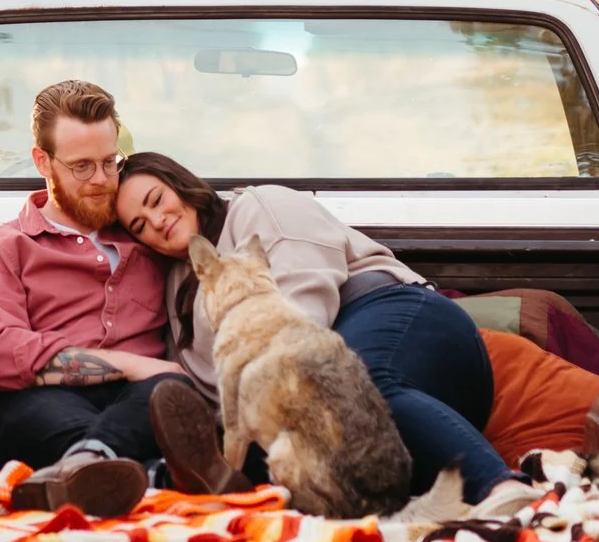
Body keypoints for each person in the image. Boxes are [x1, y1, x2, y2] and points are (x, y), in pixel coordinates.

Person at [112, 151, 514, 505]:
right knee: (271, 455)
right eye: (139, 226)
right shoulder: (176, 291)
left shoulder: (258, 207)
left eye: (156, 200)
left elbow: (303, 318)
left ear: (180, 184)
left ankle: (503, 489)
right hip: (349, 433)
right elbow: (214, 390)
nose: (156, 221)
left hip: (403, 322)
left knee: (351, 379)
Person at [0, 82, 229, 516]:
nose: (101, 180)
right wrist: (132, 364)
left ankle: (85, 472)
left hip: (143, 400)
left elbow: (214, 227)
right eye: (82, 167)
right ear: (42, 161)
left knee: (171, 391)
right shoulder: (2, 247)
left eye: (109, 162)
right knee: (31, 414)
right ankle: (155, 477)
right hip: (41, 400)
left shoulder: (147, 232)